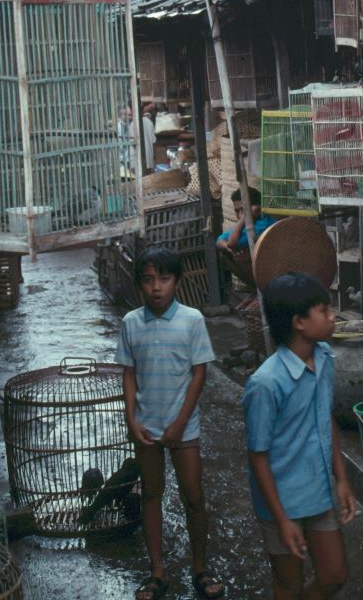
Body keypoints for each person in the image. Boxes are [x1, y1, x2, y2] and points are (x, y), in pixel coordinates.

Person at [117, 247, 225, 600]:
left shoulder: (192, 320)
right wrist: (132, 420)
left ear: (177, 282)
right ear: (139, 286)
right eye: (148, 280)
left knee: (194, 497)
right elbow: (129, 374)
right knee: (151, 495)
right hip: (146, 427)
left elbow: (199, 373)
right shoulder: (131, 323)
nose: (156, 287)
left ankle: (200, 567)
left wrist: (180, 424)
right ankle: (157, 572)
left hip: (184, 428)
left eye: (164, 278)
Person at [242, 272, 356, 600]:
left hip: (317, 490)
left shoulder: (324, 358)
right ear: (299, 322)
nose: (333, 317)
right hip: (281, 501)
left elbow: (326, 419)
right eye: (324, 310)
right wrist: (281, 519)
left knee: (334, 575)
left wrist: (341, 479)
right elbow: (258, 455)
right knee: (288, 584)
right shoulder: (266, 384)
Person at [215, 189, 276, 286]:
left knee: (240, 256)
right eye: (236, 211)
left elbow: (232, 243)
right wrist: (226, 246)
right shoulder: (245, 225)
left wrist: (245, 218)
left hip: (272, 269)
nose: (239, 215)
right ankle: (255, 290)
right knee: (225, 255)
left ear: (255, 208)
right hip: (260, 267)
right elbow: (219, 240)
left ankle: (262, 291)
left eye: (243, 210)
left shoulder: (262, 224)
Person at [141, 104, 157, 174]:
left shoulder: (133, 123)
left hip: (138, 160)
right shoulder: (150, 123)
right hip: (149, 157)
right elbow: (153, 141)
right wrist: (154, 154)